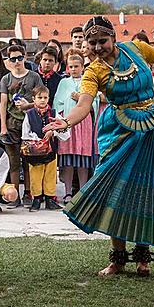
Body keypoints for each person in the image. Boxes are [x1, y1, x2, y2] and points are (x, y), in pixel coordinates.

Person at [45, 16, 154, 277]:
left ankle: (143, 258)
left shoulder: (137, 48)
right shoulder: (94, 71)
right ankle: (118, 260)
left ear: (113, 37)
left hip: (151, 129)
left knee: (147, 190)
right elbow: (84, 104)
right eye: (92, 43)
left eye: (102, 41)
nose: (98, 46)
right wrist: (65, 122)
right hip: (119, 131)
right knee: (117, 190)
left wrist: (151, 95)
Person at [0, 44, 44, 207]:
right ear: (9, 61)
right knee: (13, 161)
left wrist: (28, 105)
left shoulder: (34, 77)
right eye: (13, 59)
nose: (17, 61)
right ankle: (14, 195)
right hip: (11, 123)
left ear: (24, 57)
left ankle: (28, 194)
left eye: (19, 58)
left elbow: (42, 100)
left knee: (29, 159)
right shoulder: (6, 79)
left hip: (30, 124)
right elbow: (3, 103)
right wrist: (3, 126)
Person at [54, 51, 99, 204]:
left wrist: (80, 98)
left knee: (82, 158)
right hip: (67, 122)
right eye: (71, 66)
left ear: (82, 67)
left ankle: (82, 191)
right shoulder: (64, 83)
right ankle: (67, 192)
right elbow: (57, 102)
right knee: (68, 159)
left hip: (84, 123)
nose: (73, 69)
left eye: (76, 66)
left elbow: (95, 101)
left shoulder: (88, 81)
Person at [22, 85, 69, 211]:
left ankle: (49, 199)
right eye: (39, 97)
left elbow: (65, 130)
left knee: (50, 174)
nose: (42, 100)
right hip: (35, 153)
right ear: (34, 98)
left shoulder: (54, 114)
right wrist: (38, 140)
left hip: (51, 151)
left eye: (45, 97)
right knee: (36, 175)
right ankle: (36, 199)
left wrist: (53, 132)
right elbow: (25, 133)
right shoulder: (29, 114)